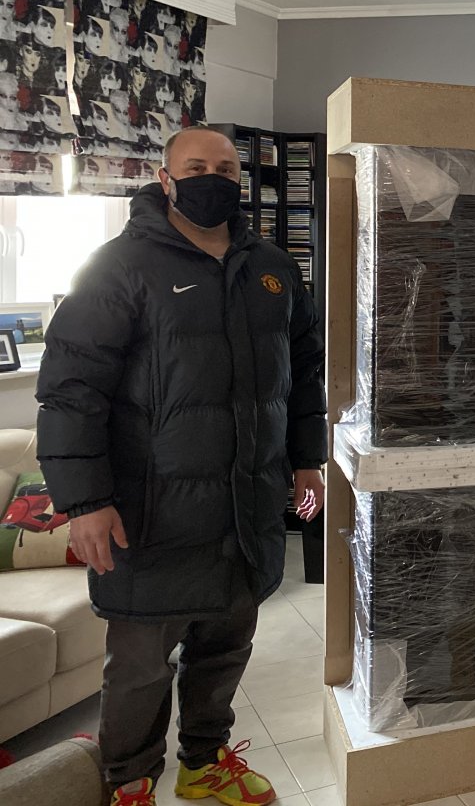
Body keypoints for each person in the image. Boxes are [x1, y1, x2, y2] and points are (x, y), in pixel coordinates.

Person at [37, 126, 326, 806]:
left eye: (225, 169)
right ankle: (129, 779)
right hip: (150, 512)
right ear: (165, 179)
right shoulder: (119, 267)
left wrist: (306, 459)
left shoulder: (272, 269)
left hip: (245, 506)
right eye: (196, 167)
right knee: (140, 664)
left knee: (225, 645)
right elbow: (72, 391)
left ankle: (204, 762)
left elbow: (302, 372)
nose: (212, 178)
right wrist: (84, 500)